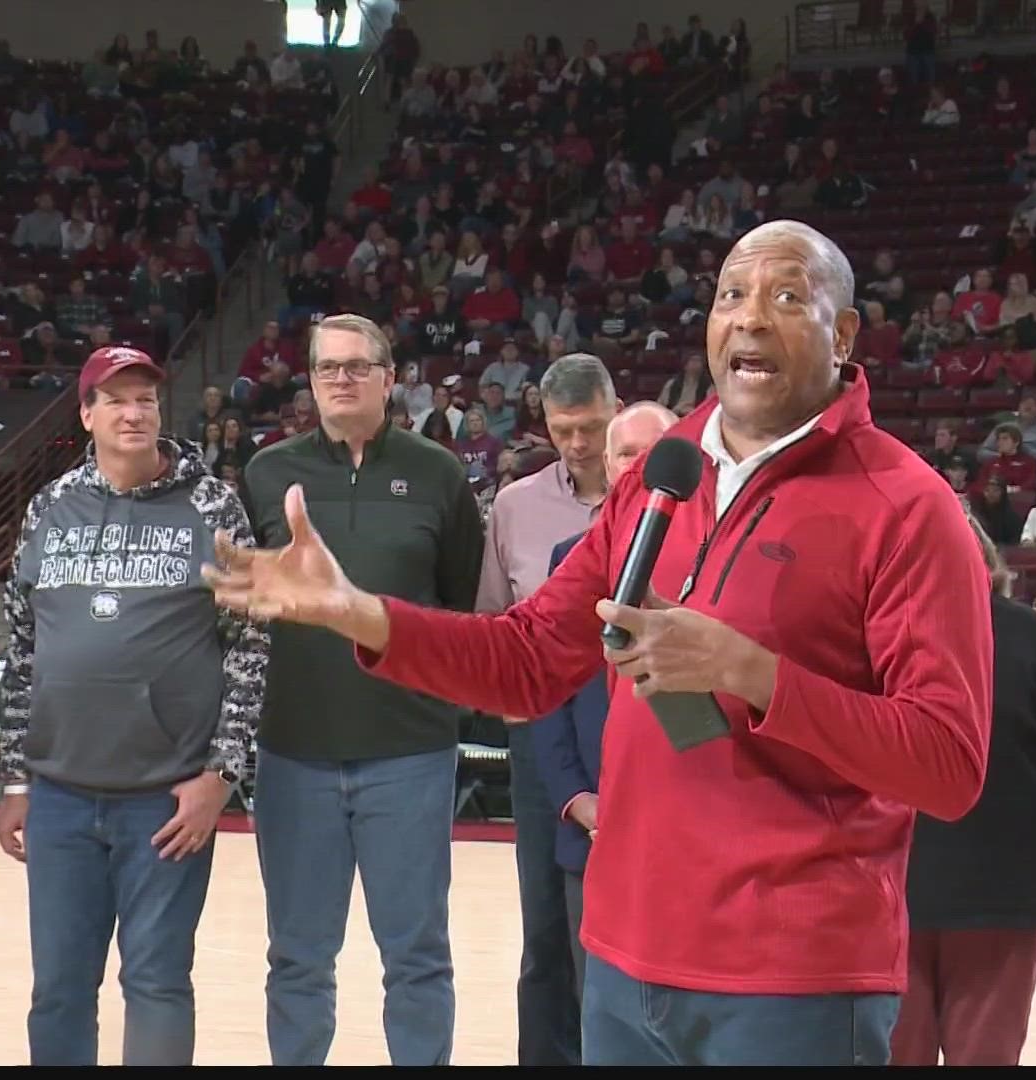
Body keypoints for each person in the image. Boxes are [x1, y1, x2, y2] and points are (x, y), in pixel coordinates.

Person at [203, 220, 995, 1066]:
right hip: (620, 957)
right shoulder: (666, 471)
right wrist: (358, 612)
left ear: (842, 336)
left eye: (788, 297)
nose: (751, 318)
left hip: (790, 977)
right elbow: (528, 660)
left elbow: (948, 766)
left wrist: (753, 674)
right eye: (732, 294)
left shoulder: (907, 507)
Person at [0, 346, 270, 1066]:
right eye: (116, 398)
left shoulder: (213, 505)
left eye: (146, 397)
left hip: (165, 799)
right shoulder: (49, 508)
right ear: (87, 415)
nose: (134, 411)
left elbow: (250, 650)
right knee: (58, 988)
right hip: (58, 794)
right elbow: (23, 653)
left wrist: (220, 777)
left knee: (156, 983)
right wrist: (15, 780)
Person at [240, 314, 484, 1067]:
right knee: (298, 958)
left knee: (416, 955)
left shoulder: (439, 474)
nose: (341, 379)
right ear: (309, 382)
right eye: (325, 368)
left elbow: (457, 602)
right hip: (294, 753)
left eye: (357, 366)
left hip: (409, 750)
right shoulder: (266, 473)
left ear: (388, 377)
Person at [892, 514, 1036, 1066]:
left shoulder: (1026, 635)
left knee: (986, 1051)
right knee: (897, 1050)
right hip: (896, 885)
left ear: (983, 565)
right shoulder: (882, 630)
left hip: (1002, 888)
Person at [473, 352, 624, 1067]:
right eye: (564, 429)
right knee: (545, 929)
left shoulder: (666, 497)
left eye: (591, 427)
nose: (579, 444)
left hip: (645, 734)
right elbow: (495, 621)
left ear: (614, 410)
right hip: (547, 742)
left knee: (634, 928)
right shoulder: (515, 506)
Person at [531, 401, 679, 997]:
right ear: (610, 467)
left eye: (653, 451)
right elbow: (548, 691)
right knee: (600, 1006)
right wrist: (575, 797)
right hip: (594, 827)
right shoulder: (570, 559)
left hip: (693, 830)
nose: (638, 463)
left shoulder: (718, 558)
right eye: (626, 452)